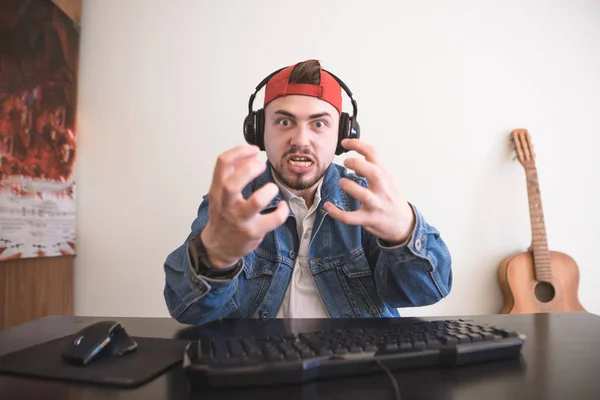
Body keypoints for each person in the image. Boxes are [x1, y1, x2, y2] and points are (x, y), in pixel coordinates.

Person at [163, 59, 452, 325]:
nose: (301, 140)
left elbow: (427, 293)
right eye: (284, 122)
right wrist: (215, 260)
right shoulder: (233, 204)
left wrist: (404, 231)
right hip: (258, 367)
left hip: (360, 370)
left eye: (319, 123)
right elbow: (187, 310)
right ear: (258, 130)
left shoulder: (367, 199)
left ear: (342, 136)